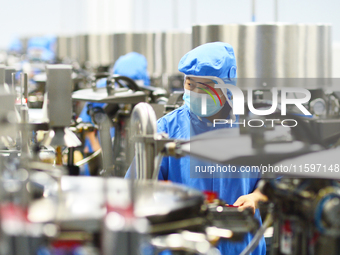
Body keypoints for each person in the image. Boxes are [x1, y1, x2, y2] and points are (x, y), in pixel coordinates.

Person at [126, 42, 267, 255]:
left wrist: (255, 198)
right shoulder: (167, 128)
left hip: (242, 246)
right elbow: (135, 189)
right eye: (189, 84)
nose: (193, 92)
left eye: (204, 87)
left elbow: (276, 183)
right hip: (186, 245)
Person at [79, 52, 150, 175]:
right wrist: (98, 150)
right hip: (102, 144)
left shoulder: (142, 90)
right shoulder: (104, 89)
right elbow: (87, 121)